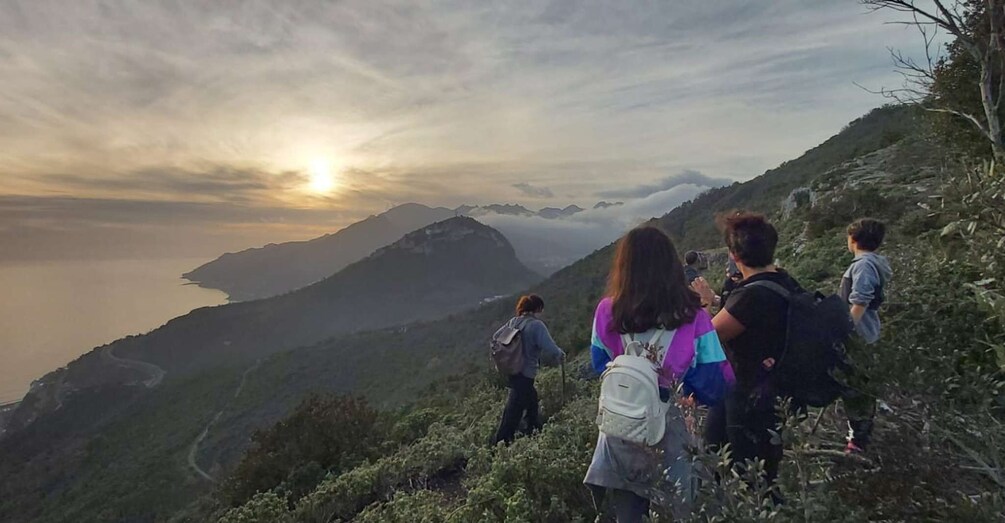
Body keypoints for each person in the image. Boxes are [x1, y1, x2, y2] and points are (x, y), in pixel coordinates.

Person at [584, 227, 733, 522]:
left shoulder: (606, 312)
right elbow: (717, 384)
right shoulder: (694, 317)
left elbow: (600, 364)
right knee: (679, 509)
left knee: (628, 511)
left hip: (621, 428)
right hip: (671, 432)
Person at [692, 212, 800, 497]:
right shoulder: (784, 281)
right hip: (771, 391)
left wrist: (703, 304)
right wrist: (718, 300)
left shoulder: (751, 296)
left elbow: (706, 340)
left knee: (755, 480)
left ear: (734, 254)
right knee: (715, 452)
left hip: (752, 399)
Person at [839, 218, 892, 453]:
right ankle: (859, 436)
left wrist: (845, 330)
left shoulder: (862, 265)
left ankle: (857, 442)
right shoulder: (874, 263)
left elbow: (859, 300)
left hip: (859, 336)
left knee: (856, 388)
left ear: (854, 240)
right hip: (869, 331)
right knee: (860, 387)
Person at [492, 294, 565, 445]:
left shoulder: (514, 322)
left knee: (531, 400)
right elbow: (549, 346)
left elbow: (496, 336)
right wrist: (560, 354)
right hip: (526, 372)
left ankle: (533, 429)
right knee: (513, 409)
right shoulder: (536, 325)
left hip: (513, 370)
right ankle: (500, 442)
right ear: (537, 308)